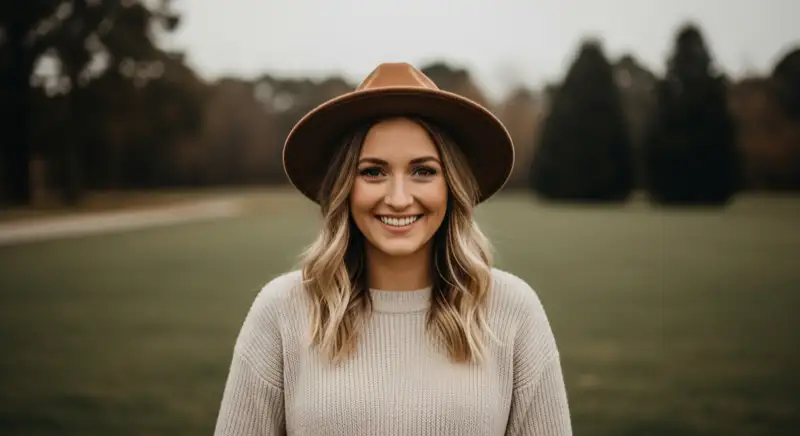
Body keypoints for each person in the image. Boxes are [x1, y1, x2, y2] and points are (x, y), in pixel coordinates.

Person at [213, 62, 572, 436]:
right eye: (373, 171)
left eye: (423, 171)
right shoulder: (282, 311)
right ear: (344, 188)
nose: (399, 199)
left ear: (451, 186)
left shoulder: (514, 311)